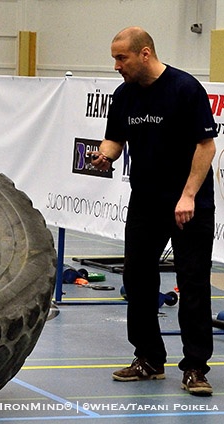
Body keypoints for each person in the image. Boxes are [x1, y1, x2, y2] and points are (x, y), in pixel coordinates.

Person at [91, 26, 217, 396]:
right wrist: (105, 155)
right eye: (115, 58)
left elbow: (205, 146)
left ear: (145, 53)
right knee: (138, 279)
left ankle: (195, 367)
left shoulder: (184, 88)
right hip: (146, 201)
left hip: (189, 204)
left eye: (121, 58)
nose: (116, 66)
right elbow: (115, 138)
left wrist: (188, 195)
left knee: (193, 282)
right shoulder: (124, 95)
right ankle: (148, 358)